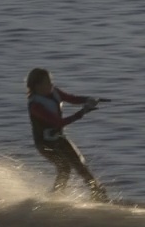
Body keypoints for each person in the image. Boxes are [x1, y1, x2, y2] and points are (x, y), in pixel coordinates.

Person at [25, 68, 109, 202]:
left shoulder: (55, 92)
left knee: (79, 165)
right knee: (65, 167)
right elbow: (58, 122)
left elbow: (72, 98)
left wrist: (89, 99)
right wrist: (82, 112)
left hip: (58, 138)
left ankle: (97, 192)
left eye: (50, 82)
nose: (51, 85)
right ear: (37, 86)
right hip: (44, 143)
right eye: (47, 83)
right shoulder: (35, 106)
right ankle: (55, 197)